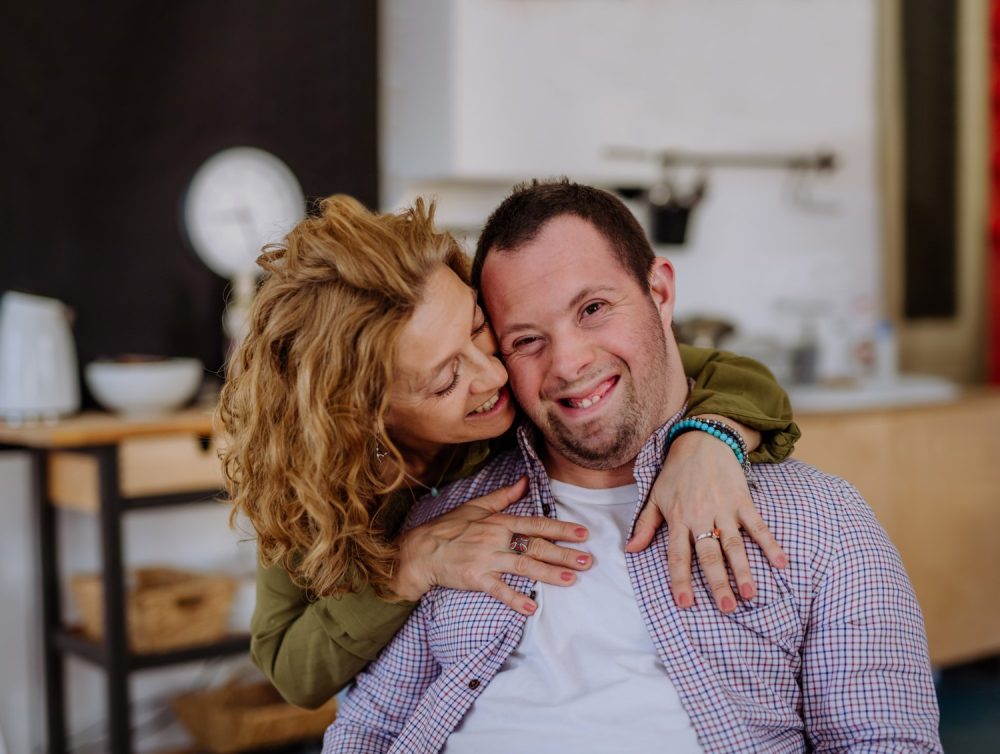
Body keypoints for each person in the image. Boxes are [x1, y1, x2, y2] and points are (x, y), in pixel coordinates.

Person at [324, 180, 941, 753]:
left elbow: (885, 739)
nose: (568, 362)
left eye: (593, 308)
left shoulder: (823, 524)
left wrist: (713, 433)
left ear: (661, 292)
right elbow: (366, 730)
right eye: (526, 340)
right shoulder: (446, 527)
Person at [219, 194, 800, 710]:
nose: (494, 373)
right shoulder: (309, 480)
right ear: (362, 414)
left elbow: (728, 373)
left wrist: (710, 439)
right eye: (445, 380)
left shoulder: (529, 383)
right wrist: (408, 568)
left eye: (477, 327)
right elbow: (289, 669)